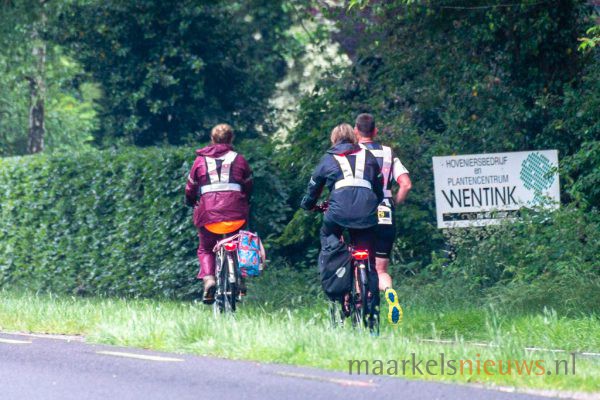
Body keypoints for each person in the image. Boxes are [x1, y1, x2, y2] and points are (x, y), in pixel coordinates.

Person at [300, 123, 384, 322]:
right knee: (370, 262)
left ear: (334, 139)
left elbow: (313, 187)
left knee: (328, 236)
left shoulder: (329, 158)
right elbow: (379, 189)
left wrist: (308, 205)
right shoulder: (369, 157)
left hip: (337, 214)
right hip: (367, 214)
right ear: (354, 137)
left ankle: (337, 278)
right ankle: (372, 312)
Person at [354, 113, 412, 325]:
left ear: (356, 131)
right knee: (380, 270)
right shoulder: (388, 153)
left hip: (361, 212)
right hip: (385, 212)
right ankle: (388, 291)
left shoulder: (353, 153)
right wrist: (394, 202)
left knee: (358, 261)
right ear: (375, 131)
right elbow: (406, 184)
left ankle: (359, 305)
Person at [185, 123, 253, 304]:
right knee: (238, 244)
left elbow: (190, 188)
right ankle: (240, 278)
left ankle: (209, 280)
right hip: (236, 214)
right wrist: (245, 201)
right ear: (231, 139)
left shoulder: (200, 161)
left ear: (212, 139)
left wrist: (191, 202)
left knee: (206, 248)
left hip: (208, 215)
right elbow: (248, 186)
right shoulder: (240, 160)